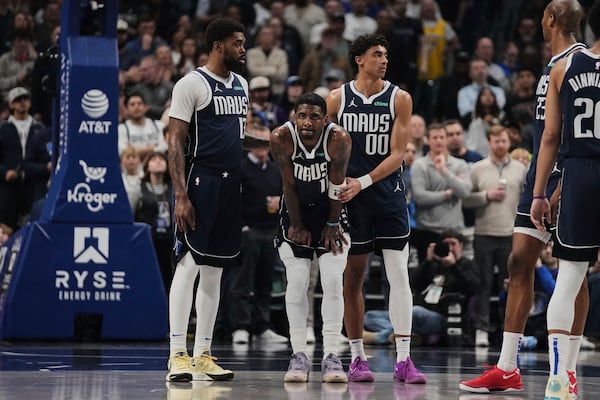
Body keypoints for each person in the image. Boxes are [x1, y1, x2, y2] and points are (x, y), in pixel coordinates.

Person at [459, 0, 588, 395]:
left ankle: (566, 369)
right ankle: (507, 367)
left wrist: (562, 184)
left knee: (573, 271)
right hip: (539, 174)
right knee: (519, 263)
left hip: (570, 173)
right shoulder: (552, 64)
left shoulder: (580, 63)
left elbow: (569, 134)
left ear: (549, 20)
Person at [326, 34, 427, 384]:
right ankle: (356, 357)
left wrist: (363, 182)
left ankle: (404, 359)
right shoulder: (336, 99)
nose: (384, 60)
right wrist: (335, 189)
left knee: (398, 274)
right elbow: (325, 150)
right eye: (376, 54)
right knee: (353, 276)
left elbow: (399, 153)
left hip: (387, 195)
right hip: (350, 201)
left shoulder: (399, 98)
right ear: (358, 59)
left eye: (386, 54)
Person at [165, 17, 249, 383]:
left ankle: (202, 353)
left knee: (215, 271)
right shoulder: (191, 84)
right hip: (200, 181)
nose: (242, 50)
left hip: (232, 185)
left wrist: (281, 143)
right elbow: (174, 142)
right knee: (188, 264)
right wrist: (181, 195)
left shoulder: (241, 85)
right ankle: (176, 354)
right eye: (238, 43)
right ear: (218, 46)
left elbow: (238, 139)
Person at [530, 1, 600, 398]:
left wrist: (541, 193)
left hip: (578, 172)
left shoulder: (563, 69)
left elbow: (550, 138)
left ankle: (558, 378)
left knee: (569, 277)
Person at [270, 93, 351, 383]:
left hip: (331, 210)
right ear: (294, 117)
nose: (307, 122)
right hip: (295, 212)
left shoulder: (338, 138)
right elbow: (288, 185)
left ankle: (331, 355)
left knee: (331, 281)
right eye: (302, 115)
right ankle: (299, 354)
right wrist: (296, 224)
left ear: (325, 119)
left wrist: (331, 222)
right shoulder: (281, 137)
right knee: (297, 282)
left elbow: (338, 184)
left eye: (314, 116)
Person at [462, 125, 526, 347]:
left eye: (504, 141)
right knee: (483, 284)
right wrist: (485, 195)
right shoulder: (477, 168)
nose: (500, 144)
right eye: (496, 141)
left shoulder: (520, 169)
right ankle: (482, 328)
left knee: (512, 283)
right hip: (484, 233)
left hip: (511, 233)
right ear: (489, 142)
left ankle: (511, 330)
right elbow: (465, 199)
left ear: (510, 143)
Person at [230, 124, 287, 345]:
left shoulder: (275, 169)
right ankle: (240, 326)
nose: (264, 147)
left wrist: (279, 204)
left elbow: (284, 196)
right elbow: (233, 199)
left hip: (270, 230)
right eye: (260, 142)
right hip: (249, 231)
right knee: (243, 281)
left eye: (267, 143)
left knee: (265, 282)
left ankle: (262, 326)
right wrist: (242, 227)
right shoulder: (241, 168)